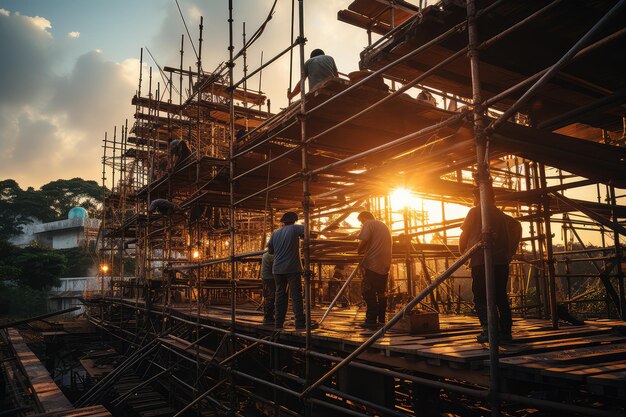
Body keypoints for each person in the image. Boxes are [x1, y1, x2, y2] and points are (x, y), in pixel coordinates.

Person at [459, 186, 522, 343]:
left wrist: (463, 253)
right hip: (500, 262)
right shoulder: (500, 215)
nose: (474, 200)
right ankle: (505, 331)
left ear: (479, 197)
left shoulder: (474, 212)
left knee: (481, 296)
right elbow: (513, 231)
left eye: (475, 197)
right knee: (500, 296)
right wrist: (507, 254)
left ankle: (488, 330)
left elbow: (464, 235)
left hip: (481, 261)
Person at [267, 211, 318, 330]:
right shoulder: (296, 229)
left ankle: (278, 323)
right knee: (296, 295)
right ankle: (300, 322)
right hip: (292, 268)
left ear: (283, 222)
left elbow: (270, 251)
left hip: (278, 269)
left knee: (280, 295)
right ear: (294, 220)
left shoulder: (275, 233)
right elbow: (311, 234)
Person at [356, 211, 392, 329]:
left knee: (368, 291)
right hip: (385, 264)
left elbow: (364, 240)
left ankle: (371, 320)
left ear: (365, 217)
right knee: (381, 293)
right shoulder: (383, 225)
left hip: (373, 263)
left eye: (361, 221)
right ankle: (381, 319)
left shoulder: (369, 223)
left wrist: (359, 249)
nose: (361, 224)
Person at [260, 251, 276, 326]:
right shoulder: (270, 255)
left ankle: (268, 315)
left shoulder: (266, 254)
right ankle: (269, 316)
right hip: (269, 277)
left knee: (268, 296)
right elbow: (275, 266)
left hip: (266, 277)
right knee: (271, 296)